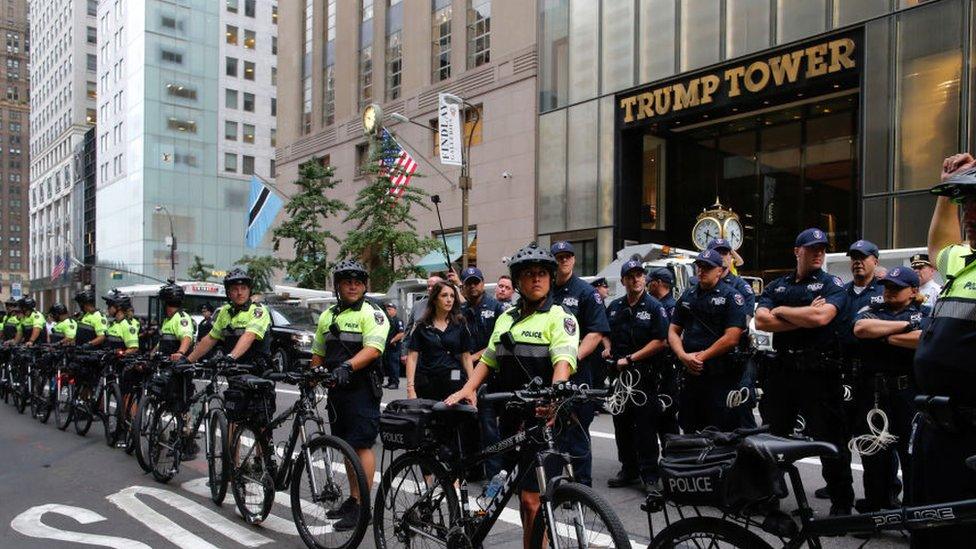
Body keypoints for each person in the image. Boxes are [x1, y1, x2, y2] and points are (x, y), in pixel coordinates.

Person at [445, 242, 578, 549]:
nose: (537, 279)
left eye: (543, 274)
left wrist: (556, 395)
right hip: (510, 415)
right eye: (529, 274)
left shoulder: (560, 316)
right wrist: (468, 388)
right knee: (523, 496)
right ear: (518, 281)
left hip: (545, 416)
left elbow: (564, 360)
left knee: (534, 499)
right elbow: (489, 359)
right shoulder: (505, 318)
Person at [755, 227, 853, 516]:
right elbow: (761, 321)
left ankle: (841, 505)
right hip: (783, 372)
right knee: (773, 439)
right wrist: (802, 315)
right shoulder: (777, 285)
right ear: (798, 251)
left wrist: (781, 312)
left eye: (822, 248)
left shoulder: (831, 283)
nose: (819, 253)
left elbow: (822, 317)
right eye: (812, 249)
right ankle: (769, 499)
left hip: (819, 374)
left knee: (830, 441)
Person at [909, 153, 976, 546]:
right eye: (965, 203)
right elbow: (939, 244)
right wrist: (946, 187)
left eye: (975, 203)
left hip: (970, 436)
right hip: (938, 430)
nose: (968, 212)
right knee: (928, 529)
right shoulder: (963, 261)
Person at [309, 260, 388, 531]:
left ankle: (364, 507)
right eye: (346, 281)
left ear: (365, 286)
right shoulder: (327, 316)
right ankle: (354, 501)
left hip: (362, 390)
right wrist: (312, 375)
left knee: (361, 445)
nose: (353, 285)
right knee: (344, 445)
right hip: (336, 391)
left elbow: (374, 349)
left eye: (358, 281)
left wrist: (347, 366)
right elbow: (318, 354)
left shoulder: (372, 313)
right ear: (338, 286)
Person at [851, 266, 924, 513]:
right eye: (888, 287)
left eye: (897, 288)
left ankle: (913, 513)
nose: (890, 292)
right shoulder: (871, 310)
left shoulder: (924, 312)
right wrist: (905, 328)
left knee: (911, 456)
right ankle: (874, 509)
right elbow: (861, 329)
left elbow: (924, 338)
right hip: (874, 394)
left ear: (913, 291)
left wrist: (883, 335)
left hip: (906, 394)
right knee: (874, 454)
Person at [605, 258, 669, 492]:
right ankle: (628, 469)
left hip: (643, 376)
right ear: (623, 281)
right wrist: (607, 346)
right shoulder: (615, 306)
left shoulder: (654, 307)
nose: (636, 279)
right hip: (619, 377)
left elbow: (660, 341)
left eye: (639, 275)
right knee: (621, 425)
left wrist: (631, 358)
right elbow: (603, 331)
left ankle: (650, 476)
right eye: (631, 276)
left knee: (645, 428)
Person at [549, 240, 610, 487]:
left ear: (574, 260)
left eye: (567, 256)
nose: (563, 260)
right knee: (553, 431)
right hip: (549, 373)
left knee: (577, 431)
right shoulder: (546, 291)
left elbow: (595, 334)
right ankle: (556, 483)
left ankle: (581, 487)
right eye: (559, 257)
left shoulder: (586, 292)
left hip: (577, 373)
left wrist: (569, 359)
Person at [669, 250, 748, 433]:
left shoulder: (732, 297)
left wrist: (700, 358)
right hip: (691, 373)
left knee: (721, 430)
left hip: (719, 375)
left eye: (708, 267)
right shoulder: (688, 295)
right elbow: (673, 330)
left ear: (719, 271)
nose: (702, 271)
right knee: (689, 426)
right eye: (700, 266)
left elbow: (732, 337)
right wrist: (682, 356)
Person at [459, 266, 507, 480]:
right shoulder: (458, 311)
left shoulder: (497, 308)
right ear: (463, 286)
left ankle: (494, 476)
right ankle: (473, 470)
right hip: (465, 376)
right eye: (468, 283)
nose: (472, 286)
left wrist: (474, 356)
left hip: (490, 376)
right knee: (467, 426)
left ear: (482, 283)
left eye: (475, 282)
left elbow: (498, 343)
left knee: (489, 428)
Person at [187, 269, 272, 368]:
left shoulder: (258, 310)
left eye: (243, 288)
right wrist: (188, 360)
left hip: (256, 372)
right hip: (233, 369)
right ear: (229, 293)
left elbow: (249, 335)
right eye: (235, 289)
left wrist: (231, 357)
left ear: (249, 291)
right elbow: (210, 338)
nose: (240, 292)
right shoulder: (225, 311)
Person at [405, 280, 473, 400]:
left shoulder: (460, 323)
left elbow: (466, 357)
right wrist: (410, 388)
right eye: (444, 295)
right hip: (427, 384)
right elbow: (412, 357)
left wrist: (471, 388)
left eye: (452, 296)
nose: (449, 299)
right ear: (435, 299)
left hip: (454, 382)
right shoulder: (422, 325)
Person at [157, 282, 195, 360]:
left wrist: (180, 353)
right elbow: (163, 341)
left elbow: (186, 337)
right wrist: (152, 353)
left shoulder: (181, 317)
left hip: (176, 367)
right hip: (164, 363)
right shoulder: (168, 319)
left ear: (166, 303)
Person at [102, 290, 139, 355]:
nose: (108, 309)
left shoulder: (127, 326)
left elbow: (133, 348)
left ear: (118, 307)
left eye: (110, 306)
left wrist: (120, 355)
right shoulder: (113, 323)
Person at [382, 302, 405, 389]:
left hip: (394, 347)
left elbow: (401, 333)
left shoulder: (398, 320)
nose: (388, 311)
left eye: (390, 309)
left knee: (393, 365)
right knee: (388, 365)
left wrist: (392, 340)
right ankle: (390, 381)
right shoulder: (386, 320)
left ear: (395, 310)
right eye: (387, 309)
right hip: (387, 346)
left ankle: (395, 383)